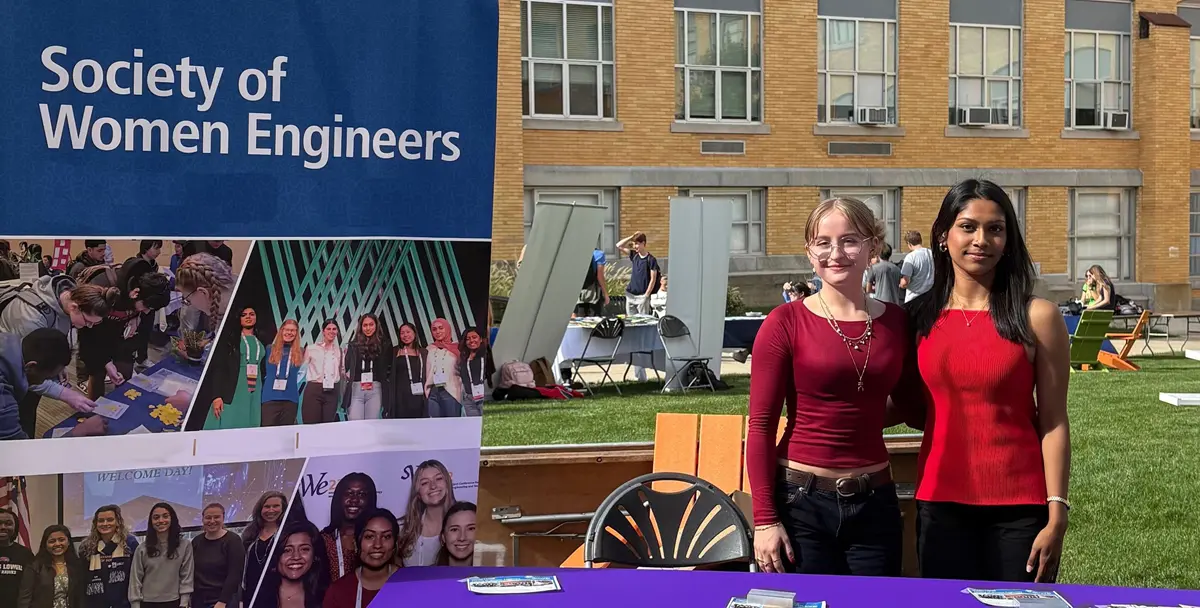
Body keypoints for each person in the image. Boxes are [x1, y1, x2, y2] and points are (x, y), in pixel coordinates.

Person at [902, 179, 1071, 583]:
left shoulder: (1038, 317)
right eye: (968, 226)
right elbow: (906, 406)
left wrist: (1057, 512)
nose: (981, 239)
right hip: (939, 503)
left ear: (1008, 240)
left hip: (1020, 509)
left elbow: (1053, 421)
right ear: (943, 236)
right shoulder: (916, 320)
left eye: (995, 228)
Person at [747, 197, 910, 577]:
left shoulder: (898, 324)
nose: (835, 253)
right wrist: (766, 520)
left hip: (876, 500)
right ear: (809, 253)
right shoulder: (784, 322)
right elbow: (760, 427)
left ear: (872, 246)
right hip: (801, 502)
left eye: (849, 240)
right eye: (823, 242)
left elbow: (911, 402)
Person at [0, 275, 118, 435]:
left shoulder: (65, 299)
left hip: (24, 372)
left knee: (27, 414)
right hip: (12, 377)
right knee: (18, 421)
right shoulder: (29, 318)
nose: (89, 326)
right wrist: (65, 394)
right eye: (88, 321)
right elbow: (30, 372)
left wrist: (56, 365)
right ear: (74, 307)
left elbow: (42, 357)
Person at [76, 267, 171, 401]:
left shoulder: (147, 295)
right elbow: (88, 335)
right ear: (135, 293)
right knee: (97, 374)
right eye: (146, 307)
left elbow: (144, 328)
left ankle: (121, 407)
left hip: (122, 336)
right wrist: (106, 362)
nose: (147, 312)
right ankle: (94, 411)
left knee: (124, 373)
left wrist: (136, 318)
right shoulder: (102, 287)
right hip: (95, 336)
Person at [1, 329, 106, 440]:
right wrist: (80, 431)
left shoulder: (8, 341)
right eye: (46, 378)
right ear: (30, 367)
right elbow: (20, 449)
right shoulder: (3, 401)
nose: (43, 383)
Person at [203, 308, 266, 431]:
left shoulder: (261, 341)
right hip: (234, 389)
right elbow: (219, 368)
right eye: (244, 315)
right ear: (239, 318)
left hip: (254, 392)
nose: (248, 317)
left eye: (252, 314)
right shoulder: (230, 340)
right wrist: (216, 396)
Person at [321, 510, 399, 608]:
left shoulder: (409, 583)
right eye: (369, 536)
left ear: (395, 543)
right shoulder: (338, 591)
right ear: (355, 543)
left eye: (386, 536)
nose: (378, 545)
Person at [129, 503, 194, 608]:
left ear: (172, 518)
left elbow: (186, 576)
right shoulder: (142, 549)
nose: (161, 521)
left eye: (165, 516)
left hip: (175, 602)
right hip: (147, 603)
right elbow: (135, 579)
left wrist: (184, 602)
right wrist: (135, 604)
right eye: (156, 517)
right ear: (151, 522)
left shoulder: (184, 545)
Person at [396, 460, 457, 567]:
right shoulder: (402, 528)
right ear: (418, 493)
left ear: (448, 484)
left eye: (438, 479)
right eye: (424, 483)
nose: (433, 486)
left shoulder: (463, 527)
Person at [320, 474, 378, 584]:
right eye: (349, 493)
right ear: (339, 498)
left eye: (362, 494)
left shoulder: (378, 539)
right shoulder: (323, 540)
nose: (354, 500)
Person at [254, 520, 328, 608]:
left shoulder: (328, 596)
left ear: (315, 555)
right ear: (275, 556)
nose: (296, 557)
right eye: (287, 550)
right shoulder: (255, 597)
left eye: (304, 549)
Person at [80, 505, 139, 608]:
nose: (105, 524)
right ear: (95, 524)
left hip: (124, 604)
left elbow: (137, 575)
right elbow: (82, 579)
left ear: (118, 522)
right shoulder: (86, 547)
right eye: (101, 521)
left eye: (110, 520)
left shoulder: (130, 543)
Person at [190, 504, 244, 608]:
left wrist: (222, 602)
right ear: (203, 519)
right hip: (199, 600)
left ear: (223, 518)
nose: (212, 521)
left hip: (223, 601)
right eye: (208, 517)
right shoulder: (196, 541)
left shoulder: (233, 541)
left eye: (216, 517)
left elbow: (235, 574)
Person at [17, 524, 83, 608]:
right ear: (45, 544)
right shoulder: (35, 567)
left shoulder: (76, 566)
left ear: (69, 542)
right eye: (52, 541)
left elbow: (80, 598)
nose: (57, 544)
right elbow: (24, 599)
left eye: (61, 540)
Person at [342, 314, 389, 421]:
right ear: (361, 327)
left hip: (375, 389)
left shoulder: (384, 344)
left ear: (376, 326)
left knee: (371, 424)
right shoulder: (353, 345)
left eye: (371, 325)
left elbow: (387, 368)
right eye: (365, 325)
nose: (368, 328)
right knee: (355, 424)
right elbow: (346, 365)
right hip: (356, 388)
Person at [241, 492, 287, 602]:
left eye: (276, 506)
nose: (271, 510)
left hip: (278, 594)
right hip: (251, 594)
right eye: (267, 506)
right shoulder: (249, 533)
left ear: (283, 508)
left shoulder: (287, 533)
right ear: (260, 509)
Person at [262, 320, 304, 427]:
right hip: (270, 398)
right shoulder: (269, 349)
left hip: (290, 399)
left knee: (285, 434)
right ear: (281, 331)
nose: (289, 333)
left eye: (293, 330)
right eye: (287, 329)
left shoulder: (301, 352)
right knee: (267, 433)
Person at [302, 321, 343, 424]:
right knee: (311, 425)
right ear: (323, 331)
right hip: (314, 389)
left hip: (332, 390)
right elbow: (302, 370)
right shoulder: (311, 348)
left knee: (327, 426)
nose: (331, 331)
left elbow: (341, 371)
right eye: (328, 329)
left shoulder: (339, 351)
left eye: (334, 329)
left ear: (337, 332)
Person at [387, 323, 426, 419]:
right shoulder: (395, 351)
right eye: (402, 333)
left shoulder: (424, 352)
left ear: (414, 333)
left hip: (419, 394)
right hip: (399, 395)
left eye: (408, 332)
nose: (405, 335)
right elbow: (387, 371)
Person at [423, 319, 461, 418]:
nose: (438, 332)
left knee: (452, 426)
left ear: (447, 329)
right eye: (434, 329)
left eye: (441, 328)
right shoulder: (429, 349)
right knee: (435, 426)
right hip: (433, 391)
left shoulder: (458, 348)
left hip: (451, 391)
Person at [616, 232, 659, 317]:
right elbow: (618, 245)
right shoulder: (634, 255)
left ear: (643, 243)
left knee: (643, 322)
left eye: (637, 244)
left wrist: (646, 296)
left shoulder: (651, 259)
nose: (635, 246)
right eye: (634, 244)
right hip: (630, 295)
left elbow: (653, 279)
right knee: (630, 322)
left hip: (642, 296)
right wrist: (632, 236)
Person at [1, 510, 35, 607]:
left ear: (15, 527)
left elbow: (32, 588)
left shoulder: (26, 554)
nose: (3, 527)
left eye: (8, 524)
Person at [434, 503, 477, 567]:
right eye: (454, 529)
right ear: (443, 537)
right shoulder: (425, 576)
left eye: (470, 529)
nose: (462, 538)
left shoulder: (492, 575)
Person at [457, 329, 486, 417]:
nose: (471, 341)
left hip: (483, 397)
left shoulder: (485, 355)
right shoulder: (464, 358)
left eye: (474, 337)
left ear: (480, 339)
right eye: (468, 339)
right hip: (469, 399)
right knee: (474, 427)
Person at [900, 231, 935, 303]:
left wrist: (900, 284)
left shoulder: (910, 257)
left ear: (909, 244)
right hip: (930, 298)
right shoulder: (932, 254)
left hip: (914, 298)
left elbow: (905, 282)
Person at [574, 248, 609, 318]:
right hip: (593, 295)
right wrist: (605, 294)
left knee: (580, 320)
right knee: (594, 321)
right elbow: (600, 276)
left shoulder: (576, 253)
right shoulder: (599, 254)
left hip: (579, 294)